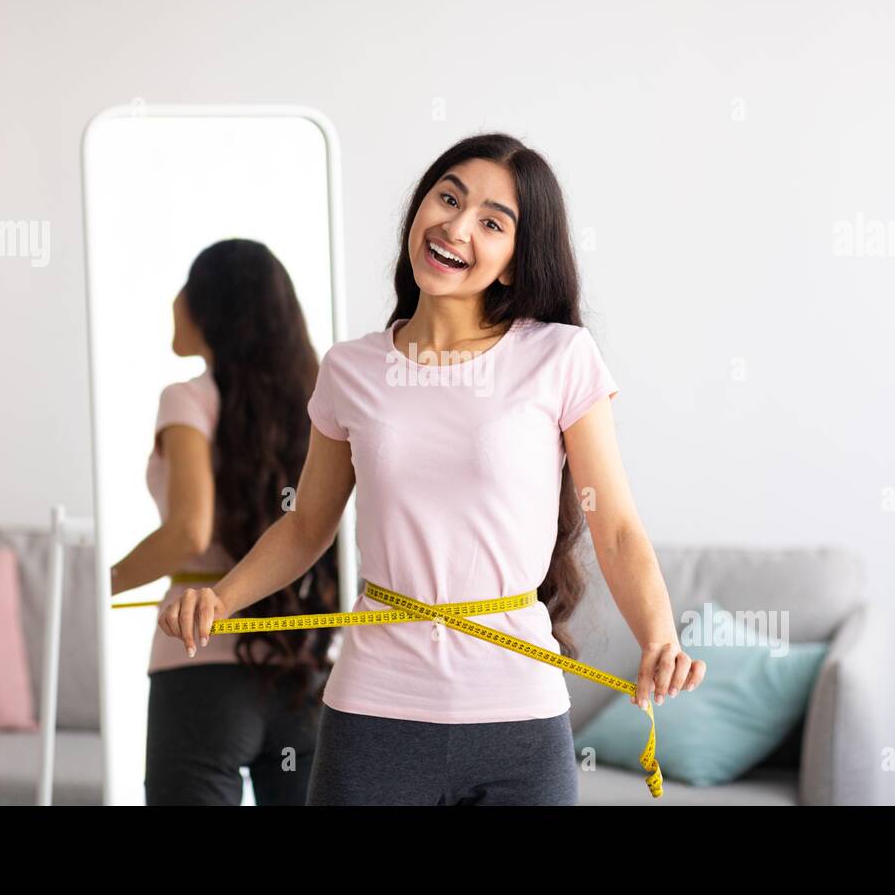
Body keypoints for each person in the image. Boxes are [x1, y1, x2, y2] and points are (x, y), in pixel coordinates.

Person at [159, 133, 706, 805]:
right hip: (374, 716)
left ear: (512, 262)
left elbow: (615, 526)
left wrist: (659, 637)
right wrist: (221, 598)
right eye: (447, 197)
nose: (455, 224)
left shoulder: (559, 357)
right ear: (419, 210)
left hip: (517, 721)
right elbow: (306, 526)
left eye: (490, 221)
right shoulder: (350, 369)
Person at [110, 239, 339, 805]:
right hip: (303, 669)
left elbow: (189, 530)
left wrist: (107, 581)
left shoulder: (188, 398)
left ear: (213, 305)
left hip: (200, 671)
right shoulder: (316, 403)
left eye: (187, 285)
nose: (175, 299)